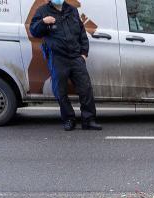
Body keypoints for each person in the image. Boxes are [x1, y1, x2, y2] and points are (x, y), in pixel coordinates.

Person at [29, 0, 101, 131]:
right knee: (60, 91)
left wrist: (84, 53)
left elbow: (81, 33)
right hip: (57, 58)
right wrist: (43, 22)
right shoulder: (42, 11)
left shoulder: (72, 10)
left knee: (86, 89)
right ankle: (69, 119)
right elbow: (34, 31)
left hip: (76, 57)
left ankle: (89, 120)